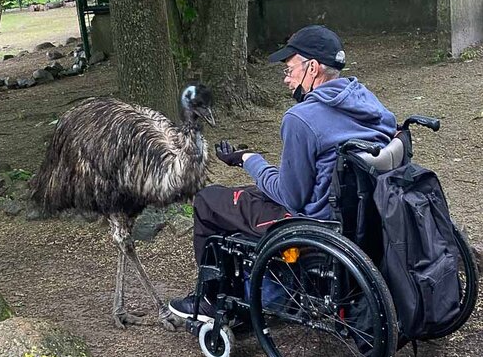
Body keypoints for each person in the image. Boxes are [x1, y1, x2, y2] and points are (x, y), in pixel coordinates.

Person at [169, 24, 397, 321]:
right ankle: (258, 286)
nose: (286, 79)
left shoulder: (301, 119)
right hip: (364, 213)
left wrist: (249, 159)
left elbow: (291, 197)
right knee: (246, 194)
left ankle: (212, 300)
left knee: (210, 201)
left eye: (289, 69)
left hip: (315, 222)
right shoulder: (366, 100)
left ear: (312, 68)